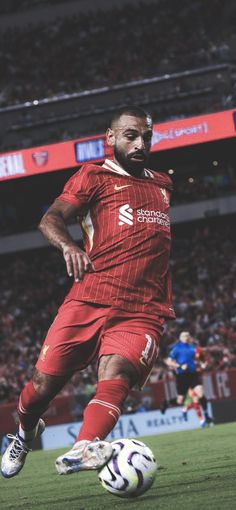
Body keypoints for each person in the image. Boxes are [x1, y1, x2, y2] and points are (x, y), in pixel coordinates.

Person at [1, 105, 175, 479]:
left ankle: (84, 447)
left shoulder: (163, 183)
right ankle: (24, 432)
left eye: (146, 135)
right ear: (110, 138)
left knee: (118, 371)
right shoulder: (93, 176)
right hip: (89, 299)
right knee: (41, 387)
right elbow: (50, 218)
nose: (140, 142)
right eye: (130, 134)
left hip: (143, 307)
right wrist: (68, 246)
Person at [164, 331, 213, 427]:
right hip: (182, 376)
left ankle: (206, 415)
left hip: (193, 375)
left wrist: (203, 364)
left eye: (187, 335)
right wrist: (180, 366)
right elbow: (168, 362)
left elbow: (201, 359)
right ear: (180, 337)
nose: (186, 337)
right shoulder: (176, 348)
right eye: (184, 336)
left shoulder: (193, 348)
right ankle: (166, 403)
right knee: (180, 401)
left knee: (200, 393)